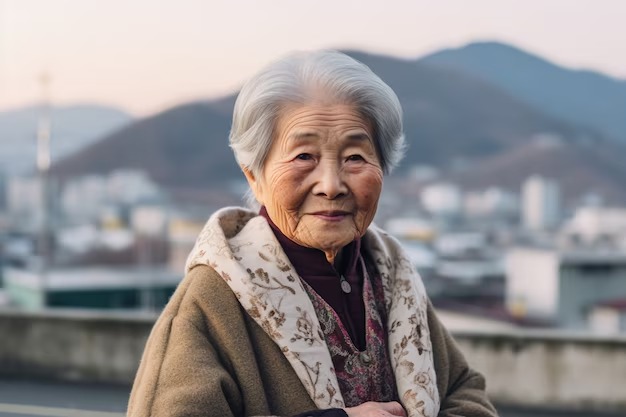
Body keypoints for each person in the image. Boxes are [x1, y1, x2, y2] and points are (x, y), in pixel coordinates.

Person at [127, 50, 497, 417]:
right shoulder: (214, 296)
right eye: (304, 156)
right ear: (254, 176)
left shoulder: (392, 277)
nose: (331, 185)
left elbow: (464, 389)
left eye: (355, 157)